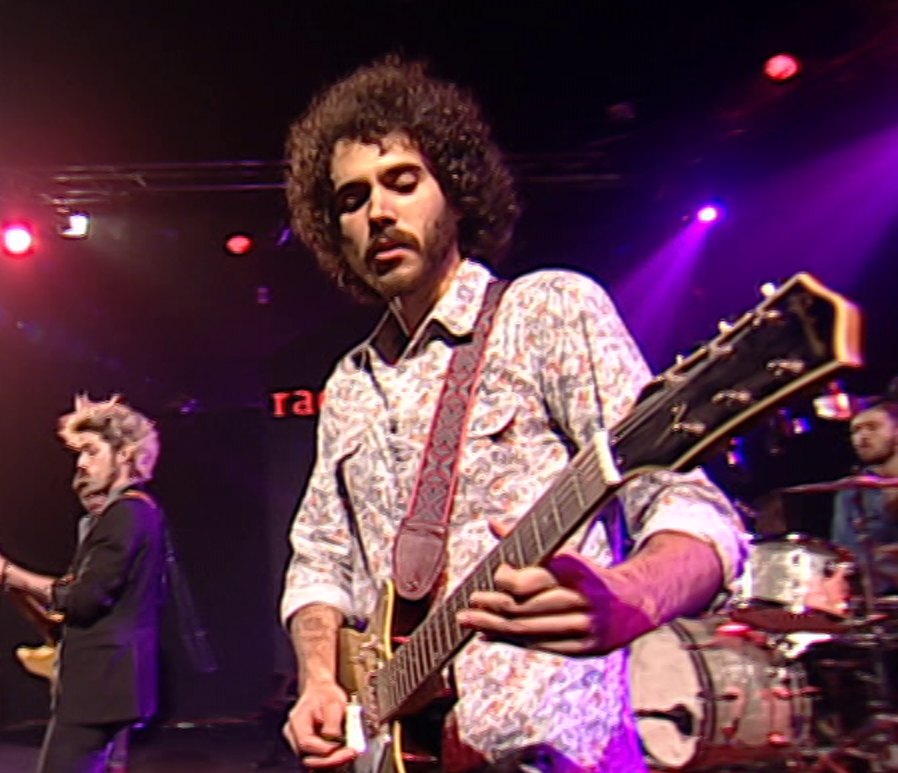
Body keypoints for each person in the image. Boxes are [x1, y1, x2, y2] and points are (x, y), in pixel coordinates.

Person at [278, 57, 748, 773]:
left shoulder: (547, 311)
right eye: (352, 198)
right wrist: (319, 680)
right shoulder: (349, 384)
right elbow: (318, 557)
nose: (378, 212)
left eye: (403, 181)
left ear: (455, 193)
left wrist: (632, 595)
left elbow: (693, 506)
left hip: (556, 751)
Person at [0, 395, 166, 773]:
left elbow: (83, 599)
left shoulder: (127, 513)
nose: (81, 464)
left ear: (126, 454)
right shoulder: (133, 512)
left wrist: (7, 572)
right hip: (110, 680)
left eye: (91, 451)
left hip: (100, 682)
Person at [831, 400, 898, 587]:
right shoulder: (852, 492)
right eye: (856, 431)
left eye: (872, 428)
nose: (862, 437)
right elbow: (846, 553)